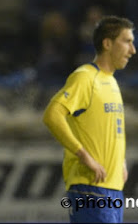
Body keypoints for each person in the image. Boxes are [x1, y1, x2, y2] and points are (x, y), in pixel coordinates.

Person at [43, 16, 136, 223]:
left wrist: (119, 161)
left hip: (111, 189)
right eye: (127, 41)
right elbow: (52, 114)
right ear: (107, 43)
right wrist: (84, 155)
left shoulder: (111, 82)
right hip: (90, 188)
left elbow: (109, 128)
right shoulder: (85, 77)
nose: (133, 50)